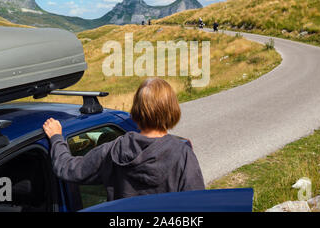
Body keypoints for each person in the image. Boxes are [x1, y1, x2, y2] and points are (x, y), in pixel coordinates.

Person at [42, 78, 205, 201]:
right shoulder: (182, 155)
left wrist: (56, 137)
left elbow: (67, 168)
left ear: (137, 110)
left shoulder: (114, 150)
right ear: (172, 110)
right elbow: (198, 206)